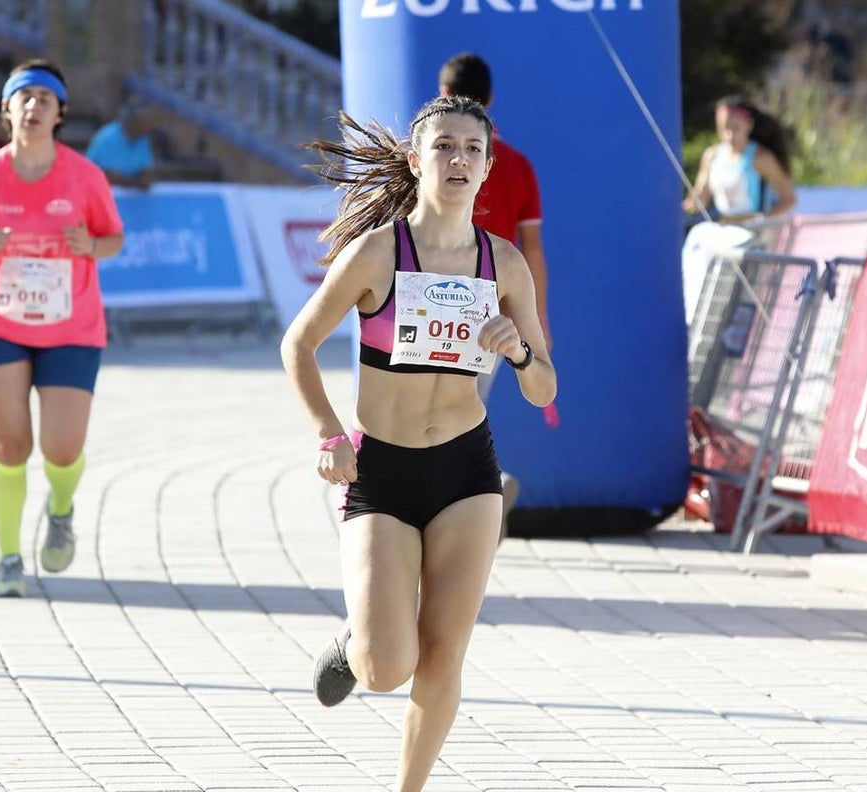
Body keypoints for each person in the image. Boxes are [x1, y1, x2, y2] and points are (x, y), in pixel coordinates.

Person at [280, 95, 556, 792]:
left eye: (472, 148)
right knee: (386, 666)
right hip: (383, 473)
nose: (458, 158)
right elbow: (299, 343)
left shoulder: (504, 267)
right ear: (416, 158)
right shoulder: (378, 253)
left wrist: (520, 351)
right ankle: (353, 645)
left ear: (489, 168)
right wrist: (326, 431)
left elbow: (546, 387)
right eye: (443, 146)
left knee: (444, 653)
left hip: (467, 469)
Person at [0, 59, 125, 598]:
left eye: (46, 98)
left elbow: (113, 238)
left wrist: (92, 246)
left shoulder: (84, 177)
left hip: (71, 326)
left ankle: (61, 508)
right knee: (9, 444)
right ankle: (9, 559)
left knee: (62, 450)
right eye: (25, 97)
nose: (35, 106)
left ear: (60, 113)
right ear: (7, 109)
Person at [438, 51, 551, 541]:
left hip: (432, 299)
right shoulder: (519, 165)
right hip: (497, 311)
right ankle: (484, 485)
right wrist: (537, 322)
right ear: (492, 97)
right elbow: (532, 250)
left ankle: (478, 488)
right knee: (465, 403)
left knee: (446, 408)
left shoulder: (433, 158)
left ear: (442, 96)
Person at [683, 95, 797, 224]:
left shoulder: (761, 158)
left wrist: (763, 220)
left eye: (736, 128)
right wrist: (693, 203)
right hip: (724, 227)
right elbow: (701, 194)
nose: (730, 135)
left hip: (756, 232)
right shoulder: (712, 155)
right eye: (724, 128)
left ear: (749, 125)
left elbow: (789, 199)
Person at [85, 102, 160, 188]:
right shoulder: (107, 137)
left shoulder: (143, 139)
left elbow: (147, 170)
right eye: (145, 121)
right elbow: (108, 175)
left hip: (128, 195)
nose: (149, 125)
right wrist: (134, 183)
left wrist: (145, 178)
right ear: (133, 122)